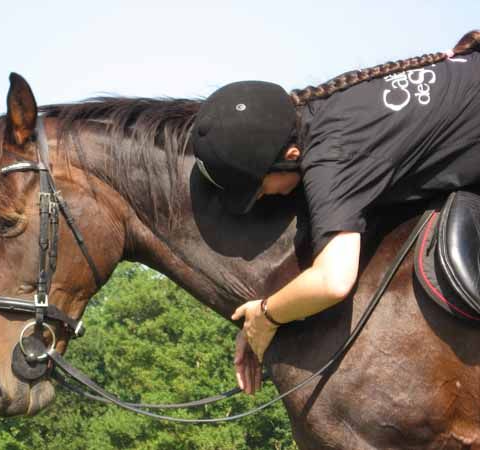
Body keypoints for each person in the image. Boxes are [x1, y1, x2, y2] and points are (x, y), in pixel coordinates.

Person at [190, 30, 480, 394]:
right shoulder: (326, 105)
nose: (264, 197)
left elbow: (333, 281)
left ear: (291, 156)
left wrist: (265, 316)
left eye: (260, 187)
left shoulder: (332, 158)